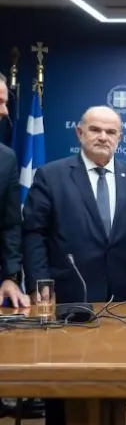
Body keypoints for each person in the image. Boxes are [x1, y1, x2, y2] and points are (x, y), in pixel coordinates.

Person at [23, 105, 126, 425]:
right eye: (95, 129)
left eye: (111, 132)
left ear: (120, 137)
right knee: (66, 381)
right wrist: (38, 282)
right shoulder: (52, 175)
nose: (103, 137)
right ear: (79, 133)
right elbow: (34, 232)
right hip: (68, 294)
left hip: (121, 299)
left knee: (114, 380)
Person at [0, 73, 27, 310]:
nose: (5, 111)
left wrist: (11, 277)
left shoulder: (6, 158)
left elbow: (10, 224)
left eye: (5, 103)